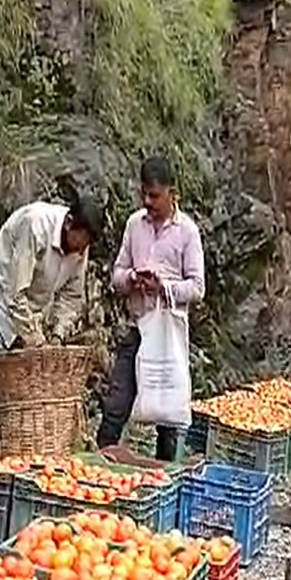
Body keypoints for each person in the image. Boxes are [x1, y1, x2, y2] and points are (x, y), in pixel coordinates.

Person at [0, 190, 103, 452]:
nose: (81, 250)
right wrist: (34, 339)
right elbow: (14, 292)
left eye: (86, 245)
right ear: (69, 224)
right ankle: (1, 457)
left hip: (31, 310)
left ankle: (26, 454)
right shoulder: (36, 225)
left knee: (27, 389)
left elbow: (71, 296)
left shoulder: (80, 248)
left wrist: (56, 335)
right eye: (80, 242)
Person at [97, 156, 205, 461]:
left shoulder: (187, 232)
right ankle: (103, 464)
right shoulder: (135, 225)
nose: (148, 201)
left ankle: (165, 476)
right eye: (144, 194)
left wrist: (164, 288)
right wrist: (132, 279)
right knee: (116, 402)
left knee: (168, 415)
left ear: (172, 193)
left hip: (169, 332)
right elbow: (117, 276)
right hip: (139, 327)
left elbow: (197, 288)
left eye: (155, 195)